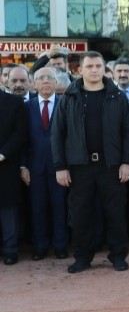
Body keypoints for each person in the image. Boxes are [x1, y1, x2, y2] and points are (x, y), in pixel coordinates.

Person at [51, 51, 129, 273]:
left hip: (111, 166)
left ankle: (118, 255)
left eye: (98, 66)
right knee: (80, 215)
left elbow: (128, 132)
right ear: (80, 70)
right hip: (80, 167)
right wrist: (60, 166)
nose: (94, 70)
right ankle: (82, 257)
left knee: (115, 213)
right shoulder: (69, 97)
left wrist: (127, 162)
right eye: (89, 66)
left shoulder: (117, 97)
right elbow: (57, 134)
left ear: (104, 69)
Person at [22, 67, 68, 261]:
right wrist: (23, 166)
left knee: (60, 207)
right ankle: (40, 246)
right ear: (34, 83)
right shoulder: (26, 107)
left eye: (50, 77)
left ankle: (60, 246)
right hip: (34, 168)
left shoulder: (65, 104)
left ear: (56, 83)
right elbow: (22, 139)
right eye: (41, 78)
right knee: (38, 208)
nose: (46, 81)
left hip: (60, 168)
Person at [0, 86, 28, 264]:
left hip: (6, 164)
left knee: (8, 210)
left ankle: (10, 249)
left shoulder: (14, 102)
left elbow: (20, 134)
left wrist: (3, 154)